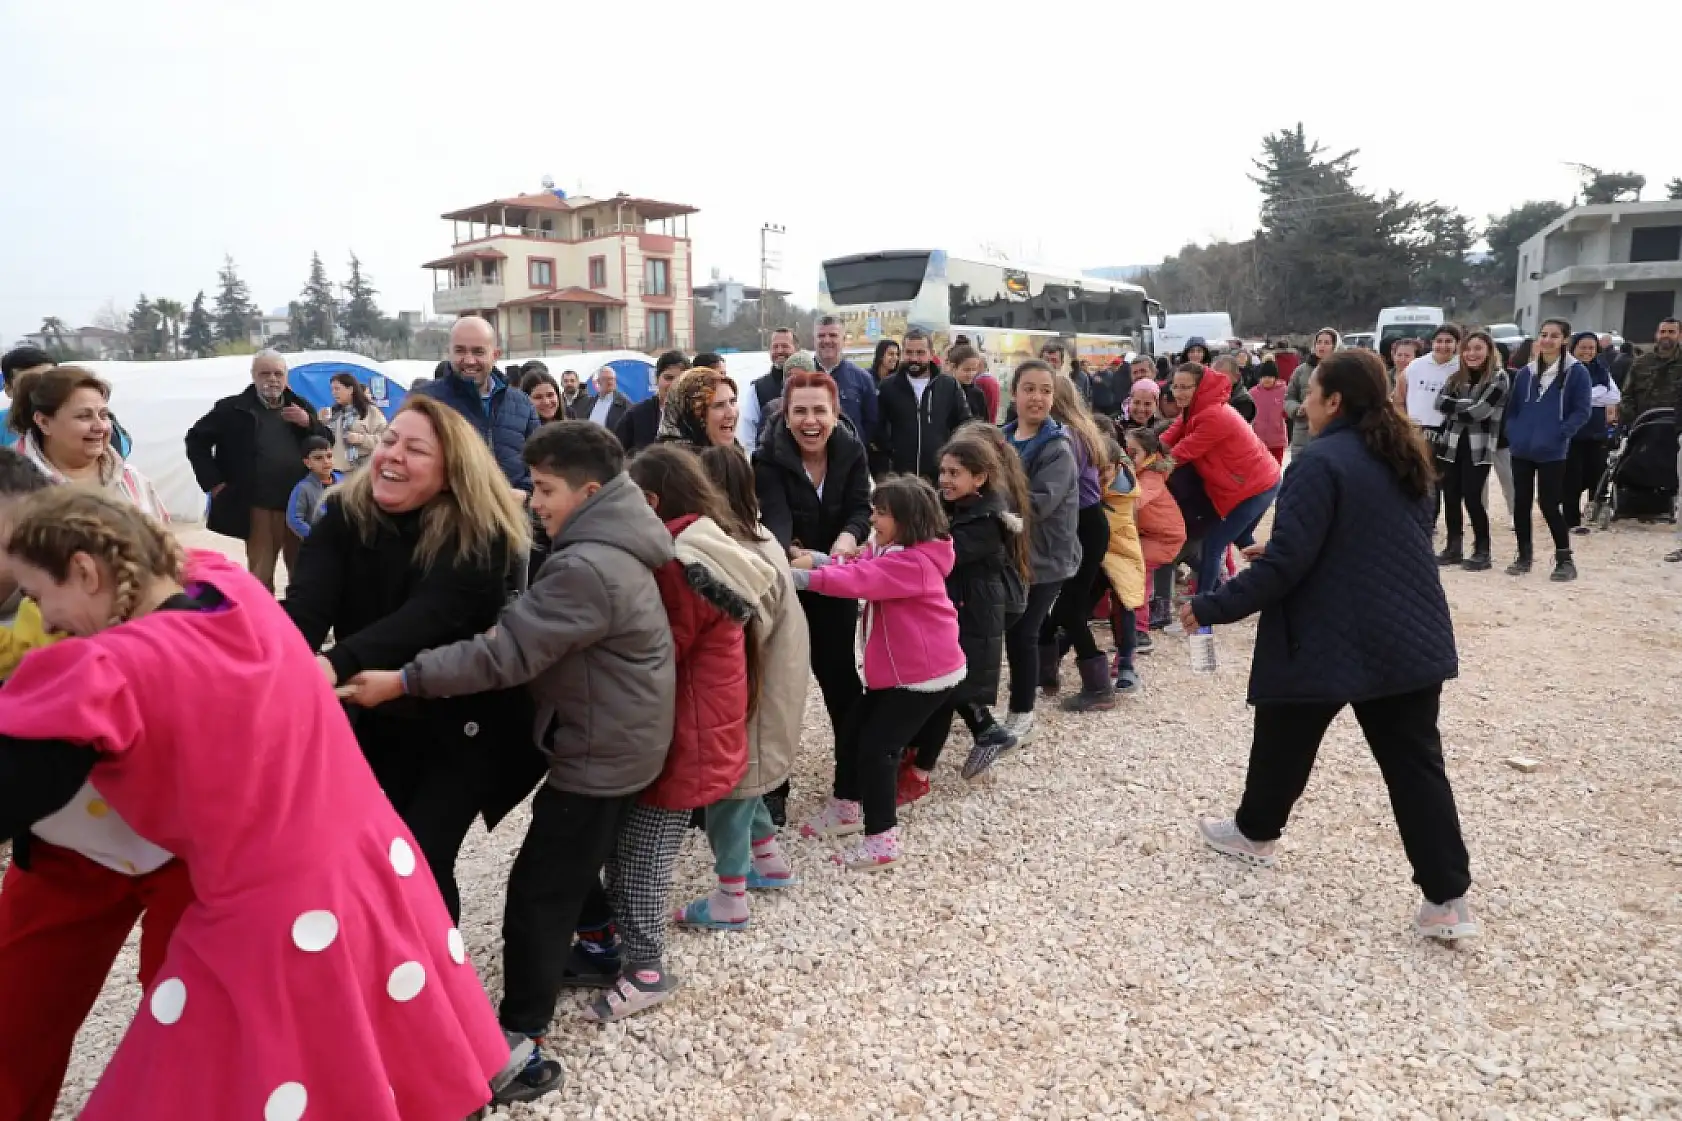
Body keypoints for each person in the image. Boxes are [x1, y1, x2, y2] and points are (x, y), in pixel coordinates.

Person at [0, 488, 531, 1120]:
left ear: (86, 571)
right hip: (371, 869)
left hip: (265, 916)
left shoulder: (107, 670)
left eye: (38, 595)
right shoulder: (232, 589)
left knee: (201, 1086)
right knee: (354, 1069)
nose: (44, 621)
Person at [340, 421, 676, 1096]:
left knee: (536, 890)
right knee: (569, 857)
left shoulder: (585, 566)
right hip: (619, 732)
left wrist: (401, 679)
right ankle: (598, 945)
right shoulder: (615, 536)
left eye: (545, 489)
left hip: (600, 748)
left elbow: (503, 655)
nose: (533, 501)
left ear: (588, 491)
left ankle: (522, 1037)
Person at [1185, 348, 1477, 941]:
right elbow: (1379, 537)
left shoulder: (1318, 462)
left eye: (1313, 393)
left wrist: (1211, 607)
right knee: (1414, 767)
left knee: (1285, 729)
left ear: (1335, 401)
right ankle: (1447, 901)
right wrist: (1288, 550)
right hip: (1409, 632)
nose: (1306, 405)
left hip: (1328, 631)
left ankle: (1256, 833)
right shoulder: (1402, 454)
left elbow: (1288, 567)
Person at [283, 396, 543, 921]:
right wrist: (264, 655)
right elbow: (306, 608)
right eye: (389, 441)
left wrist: (333, 663)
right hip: (384, 715)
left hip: (468, 720)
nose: (393, 455)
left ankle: (438, 968)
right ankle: (401, 960)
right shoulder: (345, 516)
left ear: (451, 472)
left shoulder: (480, 533)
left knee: (422, 854)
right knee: (386, 853)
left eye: (416, 449)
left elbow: (428, 617)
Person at [0, 454, 187, 1121]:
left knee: (187, 1020)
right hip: (65, 847)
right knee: (15, 1019)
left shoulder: (132, 597)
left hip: (183, 848)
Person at [791, 476, 965, 871]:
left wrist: (797, 577)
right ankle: (846, 806)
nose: (872, 519)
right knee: (854, 730)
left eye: (881, 513)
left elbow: (860, 579)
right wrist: (818, 559)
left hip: (922, 677)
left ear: (908, 518)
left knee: (878, 749)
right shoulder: (891, 548)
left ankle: (882, 840)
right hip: (898, 673)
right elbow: (858, 564)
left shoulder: (914, 562)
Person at [690, 443, 807, 910]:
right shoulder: (760, 534)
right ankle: (769, 862)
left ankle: (730, 896)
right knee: (748, 782)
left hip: (753, 691)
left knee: (729, 790)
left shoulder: (731, 552)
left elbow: (740, 637)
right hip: (779, 680)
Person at [752, 367, 872, 814]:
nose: (810, 421)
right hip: (789, 584)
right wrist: (790, 553)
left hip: (835, 581)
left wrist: (847, 538)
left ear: (835, 413)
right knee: (781, 689)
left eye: (819, 411)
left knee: (841, 682)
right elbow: (776, 519)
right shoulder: (768, 458)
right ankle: (773, 789)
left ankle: (852, 781)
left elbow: (861, 507)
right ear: (785, 416)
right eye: (800, 411)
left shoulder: (851, 450)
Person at [909, 427, 1027, 785]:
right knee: (951, 680)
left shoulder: (986, 520)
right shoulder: (957, 507)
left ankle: (933, 760)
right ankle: (983, 733)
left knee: (950, 682)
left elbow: (945, 556)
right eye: (942, 471)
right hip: (962, 605)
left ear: (979, 477)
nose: (945, 479)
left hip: (975, 610)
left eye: (954, 473)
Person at [185, 350, 329, 591]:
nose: (272, 379)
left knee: (303, 573)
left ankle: (299, 615)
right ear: (253, 376)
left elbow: (326, 441)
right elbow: (195, 441)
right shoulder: (232, 409)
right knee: (261, 577)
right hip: (259, 506)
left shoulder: (301, 406)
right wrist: (214, 483)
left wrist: (309, 422)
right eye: (265, 373)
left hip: (299, 502)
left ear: (286, 377)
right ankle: (263, 616)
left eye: (278, 374)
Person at [1000, 361, 1079, 744]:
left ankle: (1022, 713)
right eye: (1029, 389)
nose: (1037, 397)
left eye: (1045, 390)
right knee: (1007, 630)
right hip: (1011, 554)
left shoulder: (1058, 449)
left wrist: (985, 502)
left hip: (1045, 558)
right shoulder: (1001, 439)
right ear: (1014, 393)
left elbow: (1038, 504)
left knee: (1022, 632)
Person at [1163, 362, 1282, 597]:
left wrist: (1144, 465)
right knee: (1241, 538)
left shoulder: (1213, 415)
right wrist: (1145, 450)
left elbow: (1179, 454)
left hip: (1256, 486)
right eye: (1175, 386)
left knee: (1213, 543)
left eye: (1185, 387)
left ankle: (1204, 604)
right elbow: (1168, 438)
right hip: (1256, 481)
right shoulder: (1195, 410)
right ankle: (1275, 581)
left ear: (1200, 388)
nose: (1178, 393)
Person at [1039, 375, 1115, 711]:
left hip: (1081, 524)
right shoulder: (1081, 429)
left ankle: (1099, 687)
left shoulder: (1066, 436)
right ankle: (1045, 670)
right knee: (1051, 603)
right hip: (1088, 522)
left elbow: (1057, 488)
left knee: (1068, 608)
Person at [12, 366, 167, 521]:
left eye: (104, 415)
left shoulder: (131, 480)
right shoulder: (12, 486)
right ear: (44, 422)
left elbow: (162, 533)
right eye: (84, 416)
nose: (100, 426)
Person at [1504, 318, 1593, 580]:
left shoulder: (1577, 372)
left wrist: (1561, 433)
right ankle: (1523, 555)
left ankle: (1564, 558)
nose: (1547, 340)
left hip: (1552, 450)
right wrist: (1514, 432)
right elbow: (1513, 408)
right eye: (1543, 334)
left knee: (1549, 504)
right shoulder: (1526, 372)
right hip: (1522, 448)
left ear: (1565, 339)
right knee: (1521, 503)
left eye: (1554, 335)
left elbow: (1582, 410)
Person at [412, 316, 540, 495]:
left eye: (478, 352)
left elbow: (540, 463)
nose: (469, 360)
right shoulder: (424, 401)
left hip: (512, 511)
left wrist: (524, 494)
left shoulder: (521, 404)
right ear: (449, 352)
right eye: (460, 351)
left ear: (495, 355)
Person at [1433, 330, 1509, 572]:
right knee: (1451, 495)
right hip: (1452, 444)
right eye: (1467, 349)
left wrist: (1455, 408)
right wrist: (1466, 406)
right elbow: (1438, 403)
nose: (1471, 353)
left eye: (1478, 348)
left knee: (1473, 497)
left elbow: (1480, 412)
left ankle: (1482, 550)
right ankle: (1453, 547)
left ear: (1488, 350)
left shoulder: (1499, 378)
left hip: (1479, 447)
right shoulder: (1456, 377)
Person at [874, 327, 971, 483]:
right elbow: (877, 429)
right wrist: (887, 461)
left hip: (940, 477)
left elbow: (964, 425)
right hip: (900, 478)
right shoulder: (888, 387)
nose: (914, 358)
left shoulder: (948, 386)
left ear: (931, 354)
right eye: (909, 352)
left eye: (920, 353)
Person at [1092, 436, 1147, 697]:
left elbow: (1114, 524)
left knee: (1125, 604)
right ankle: (1052, 660)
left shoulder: (1122, 490)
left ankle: (1126, 665)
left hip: (1120, 551)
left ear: (1117, 466)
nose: (1100, 476)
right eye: (1095, 470)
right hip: (1095, 554)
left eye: (1105, 470)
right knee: (1076, 608)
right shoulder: (1094, 484)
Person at [1126, 426, 1186, 641]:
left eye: (1133, 453)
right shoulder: (1142, 471)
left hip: (1164, 538)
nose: (1128, 457)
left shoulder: (1151, 476)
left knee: (1137, 572)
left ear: (1150, 454)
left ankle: (1140, 631)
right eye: (1125, 452)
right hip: (1152, 533)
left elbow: (1136, 500)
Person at [1562, 331, 1621, 533]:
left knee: (1597, 474)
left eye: (1591, 348)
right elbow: (1567, 397)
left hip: (1597, 432)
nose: (1587, 352)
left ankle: (1595, 512)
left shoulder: (1601, 369)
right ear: (1573, 348)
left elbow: (1614, 396)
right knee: (1572, 477)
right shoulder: (1566, 369)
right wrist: (1596, 395)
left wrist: (1585, 396)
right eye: (1583, 347)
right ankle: (1570, 519)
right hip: (1573, 433)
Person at [814, 315, 879, 444]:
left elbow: (871, 423)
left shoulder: (863, 379)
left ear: (843, 340)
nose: (826, 340)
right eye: (821, 336)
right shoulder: (801, 377)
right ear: (814, 340)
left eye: (833, 335)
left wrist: (855, 447)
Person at [738, 327, 798, 455]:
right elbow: (749, 431)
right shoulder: (758, 388)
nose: (779, 351)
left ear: (796, 349)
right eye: (775, 347)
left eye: (785, 346)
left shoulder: (814, 385)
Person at [618, 349, 689, 455]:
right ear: (656, 379)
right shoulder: (635, 416)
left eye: (681, 379)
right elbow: (617, 455)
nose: (674, 384)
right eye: (668, 378)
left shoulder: (698, 417)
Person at [317, 371, 388, 472]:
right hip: (338, 470)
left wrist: (360, 439)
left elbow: (385, 440)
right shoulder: (334, 413)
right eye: (332, 389)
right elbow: (324, 441)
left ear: (350, 389)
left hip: (363, 471)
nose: (333, 392)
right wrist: (321, 423)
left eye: (337, 389)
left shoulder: (370, 411)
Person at [658, 364, 741, 450]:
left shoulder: (733, 452)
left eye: (732, 401)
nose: (731, 414)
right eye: (719, 405)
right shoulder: (671, 456)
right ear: (691, 414)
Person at [1284, 329, 1338, 457]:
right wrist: (1297, 409)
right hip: (1303, 432)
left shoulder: (1340, 371)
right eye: (1319, 342)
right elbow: (1288, 398)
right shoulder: (1301, 371)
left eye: (1327, 343)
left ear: (1334, 346)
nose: (1322, 346)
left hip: (1331, 430)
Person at [1619, 316, 1682, 421]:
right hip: (1644, 424)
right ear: (1656, 335)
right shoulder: (1641, 362)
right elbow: (1627, 395)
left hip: (1676, 425)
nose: (1666, 335)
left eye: (1671, 332)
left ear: (1680, 335)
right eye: (1662, 332)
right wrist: (1632, 420)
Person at [285, 436, 341, 540]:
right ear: (307, 463)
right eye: (318, 458)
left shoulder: (343, 482)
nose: (326, 461)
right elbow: (294, 519)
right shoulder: (303, 488)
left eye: (329, 456)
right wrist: (315, 536)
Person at [0, 346, 54, 451]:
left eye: (49, 380)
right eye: (29, 384)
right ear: (8, 389)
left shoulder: (73, 420)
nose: (41, 388)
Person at [1249, 359, 1288, 464]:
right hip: (1257, 439)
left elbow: (1287, 411)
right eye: (1264, 376)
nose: (1267, 379)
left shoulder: (1284, 391)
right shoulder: (1253, 393)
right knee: (1259, 467)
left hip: (1277, 440)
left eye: (1270, 376)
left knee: (1275, 466)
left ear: (1275, 377)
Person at [576, 366, 631, 432]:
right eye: (605, 379)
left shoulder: (624, 404)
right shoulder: (590, 402)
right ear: (598, 381)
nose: (610, 382)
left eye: (612, 379)